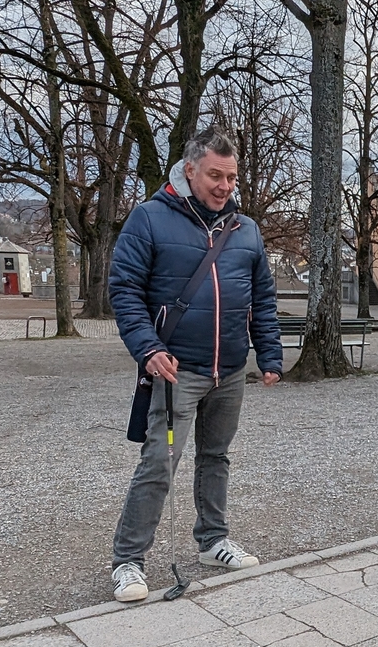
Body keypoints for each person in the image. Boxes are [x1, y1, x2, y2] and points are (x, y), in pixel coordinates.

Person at [108, 129, 283, 600]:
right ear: (189, 170)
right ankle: (128, 560)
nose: (225, 186)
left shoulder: (245, 229)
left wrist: (268, 353)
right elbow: (124, 291)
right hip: (174, 369)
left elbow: (261, 298)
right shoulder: (148, 219)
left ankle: (213, 539)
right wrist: (147, 348)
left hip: (228, 369)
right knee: (159, 463)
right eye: (215, 176)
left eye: (231, 177)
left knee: (216, 457)